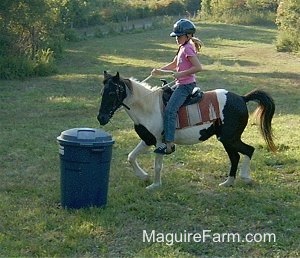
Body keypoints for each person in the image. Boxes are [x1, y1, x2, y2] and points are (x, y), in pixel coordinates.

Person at [152, 19, 203, 155]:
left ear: (188, 35)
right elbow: (174, 64)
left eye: (178, 36)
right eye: (175, 36)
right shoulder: (182, 47)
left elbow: (198, 67)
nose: (176, 38)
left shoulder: (188, 48)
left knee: (169, 110)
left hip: (186, 86)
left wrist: (181, 74)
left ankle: (169, 144)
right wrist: (159, 71)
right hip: (180, 83)